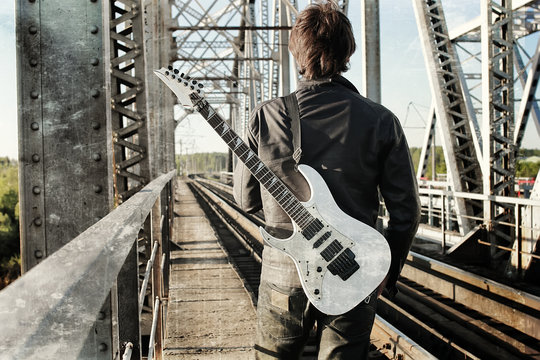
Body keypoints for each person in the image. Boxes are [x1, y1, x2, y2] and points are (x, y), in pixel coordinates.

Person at [233, 2, 420, 359]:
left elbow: (247, 202)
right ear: (348, 51)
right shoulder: (382, 121)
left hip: (284, 273)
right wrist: (387, 270)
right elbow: (406, 214)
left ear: (296, 53)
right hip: (355, 270)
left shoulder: (265, 116)